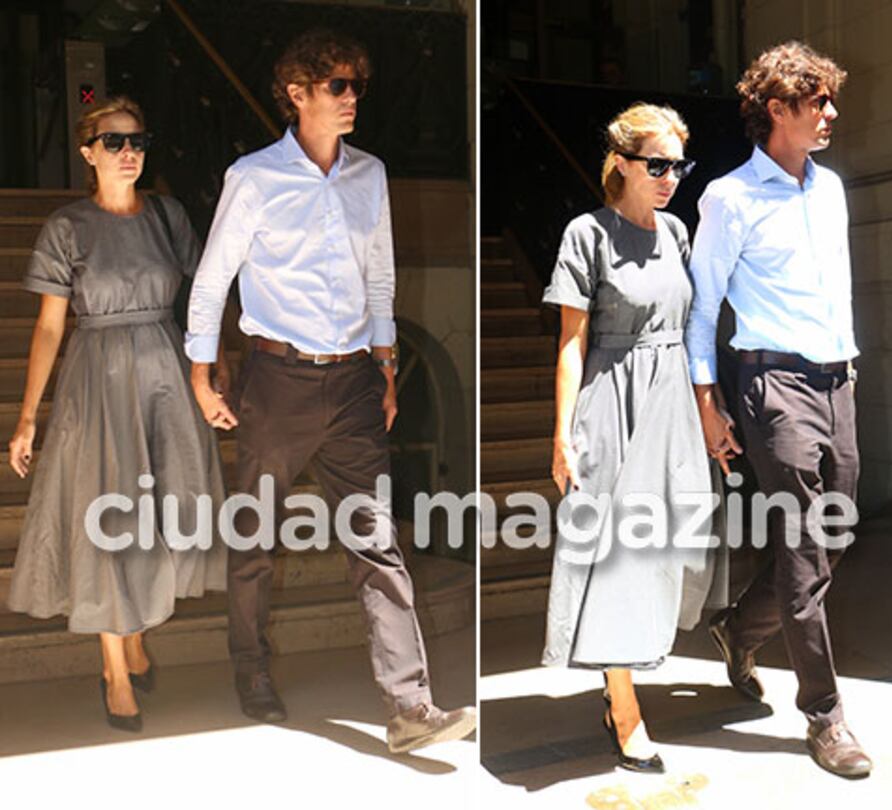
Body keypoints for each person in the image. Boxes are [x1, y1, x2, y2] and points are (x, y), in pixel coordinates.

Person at [185, 28, 474, 753]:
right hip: (274, 379)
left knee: (378, 544)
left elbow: (381, 274)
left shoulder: (368, 174)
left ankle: (410, 705)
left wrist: (383, 363)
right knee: (253, 539)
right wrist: (199, 370)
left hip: (351, 381)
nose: (352, 99)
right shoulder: (253, 177)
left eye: (357, 86)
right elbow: (213, 277)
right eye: (337, 86)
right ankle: (250, 670)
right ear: (297, 93)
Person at [6, 97, 227, 731]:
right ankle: (114, 666)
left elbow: (202, 301)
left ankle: (133, 628)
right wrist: (27, 418)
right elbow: (49, 328)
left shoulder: (167, 215)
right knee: (104, 514)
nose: (128, 152)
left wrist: (210, 375)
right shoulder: (67, 227)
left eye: (137, 141)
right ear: (88, 152)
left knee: (164, 513)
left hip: (164, 373)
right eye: (113, 142)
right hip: (96, 378)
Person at [686, 41, 872, 779]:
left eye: (831, 99)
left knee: (835, 537)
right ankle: (825, 718)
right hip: (774, 388)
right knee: (802, 549)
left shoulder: (829, 190)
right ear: (776, 109)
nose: (830, 113)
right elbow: (704, 310)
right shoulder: (729, 197)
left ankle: (739, 628)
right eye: (816, 101)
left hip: (839, 384)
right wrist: (709, 400)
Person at [541, 102, 719, 774]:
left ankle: (630, 673)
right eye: (658, 164)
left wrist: (710, 405)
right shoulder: (586, 234)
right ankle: (623, 705)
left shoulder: (676, 232)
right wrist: (562, 434)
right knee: (618, 552)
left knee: (668, 544)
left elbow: (692, 324)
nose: (671, 176)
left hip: (672, 398)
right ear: (621, 162)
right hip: (613, 401)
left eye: (679, 164)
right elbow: (571, 342)